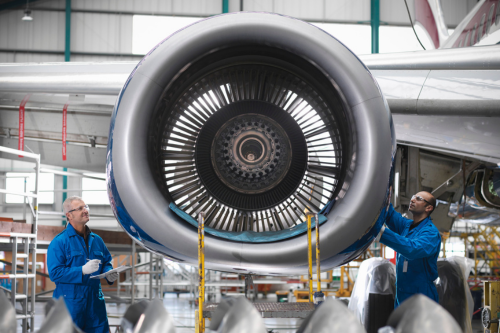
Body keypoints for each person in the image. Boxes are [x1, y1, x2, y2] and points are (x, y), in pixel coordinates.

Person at [48, 196, 118, 333]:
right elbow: (55, 273)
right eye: (80, 208)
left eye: (86, 207)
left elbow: (106, 262)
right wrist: (81, 271)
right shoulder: (59, 242)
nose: (85, 210)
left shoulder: (97, 240)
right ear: (69, 215)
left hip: (95, 306)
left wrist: (109, 273)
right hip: (70, 306)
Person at [377, 191, 441, 307]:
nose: (412, 200)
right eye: (413, 197)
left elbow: (412, 249)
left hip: (422, 296)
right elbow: (389, 215)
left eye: (419, 198)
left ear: (429, 208)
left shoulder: (431, 233)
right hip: (402, 294)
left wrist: (381, 233)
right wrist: (383, 193)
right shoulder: (406, 226)